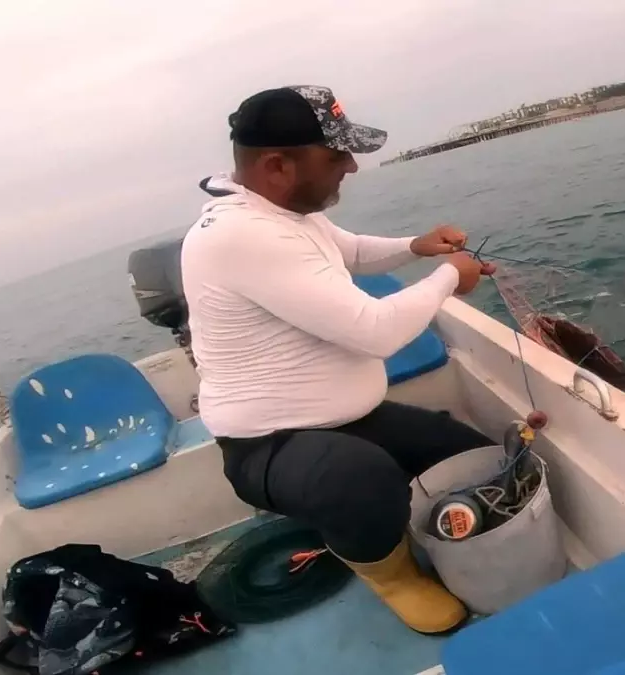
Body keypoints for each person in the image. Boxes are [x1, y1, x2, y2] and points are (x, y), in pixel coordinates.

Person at [180, 85, 495, 635]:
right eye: (336, 156)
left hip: (348, 417)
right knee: (362, 478)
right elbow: (377, 333)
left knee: (471, 457)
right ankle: (391, 576)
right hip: (267, 445)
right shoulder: (244, 236)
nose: (351, 166)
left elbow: (348, 250)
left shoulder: (283, 211)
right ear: (276, 165)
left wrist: (416, 246)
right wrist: (450, 277)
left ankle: (407, 526)